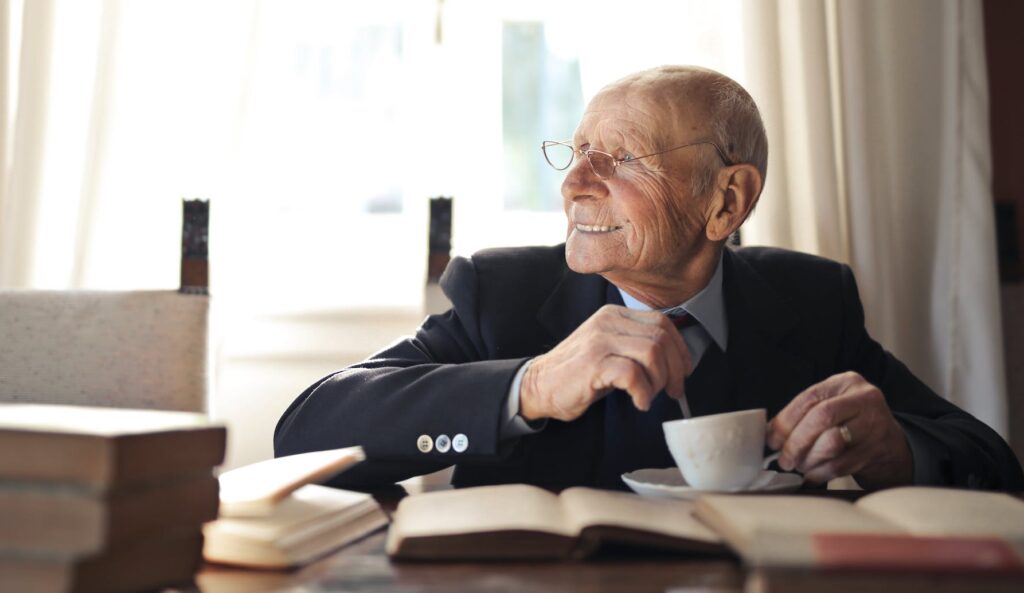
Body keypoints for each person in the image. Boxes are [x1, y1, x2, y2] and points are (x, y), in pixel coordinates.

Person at [274, 65, 1023, 492]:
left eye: (621, 157)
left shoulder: (810, 301)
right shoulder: (500, 295)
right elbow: (305, 432)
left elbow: (994, 464)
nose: (574, 185)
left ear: (726, 200)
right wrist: (529, 384)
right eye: (574, 153)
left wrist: (901, 451)